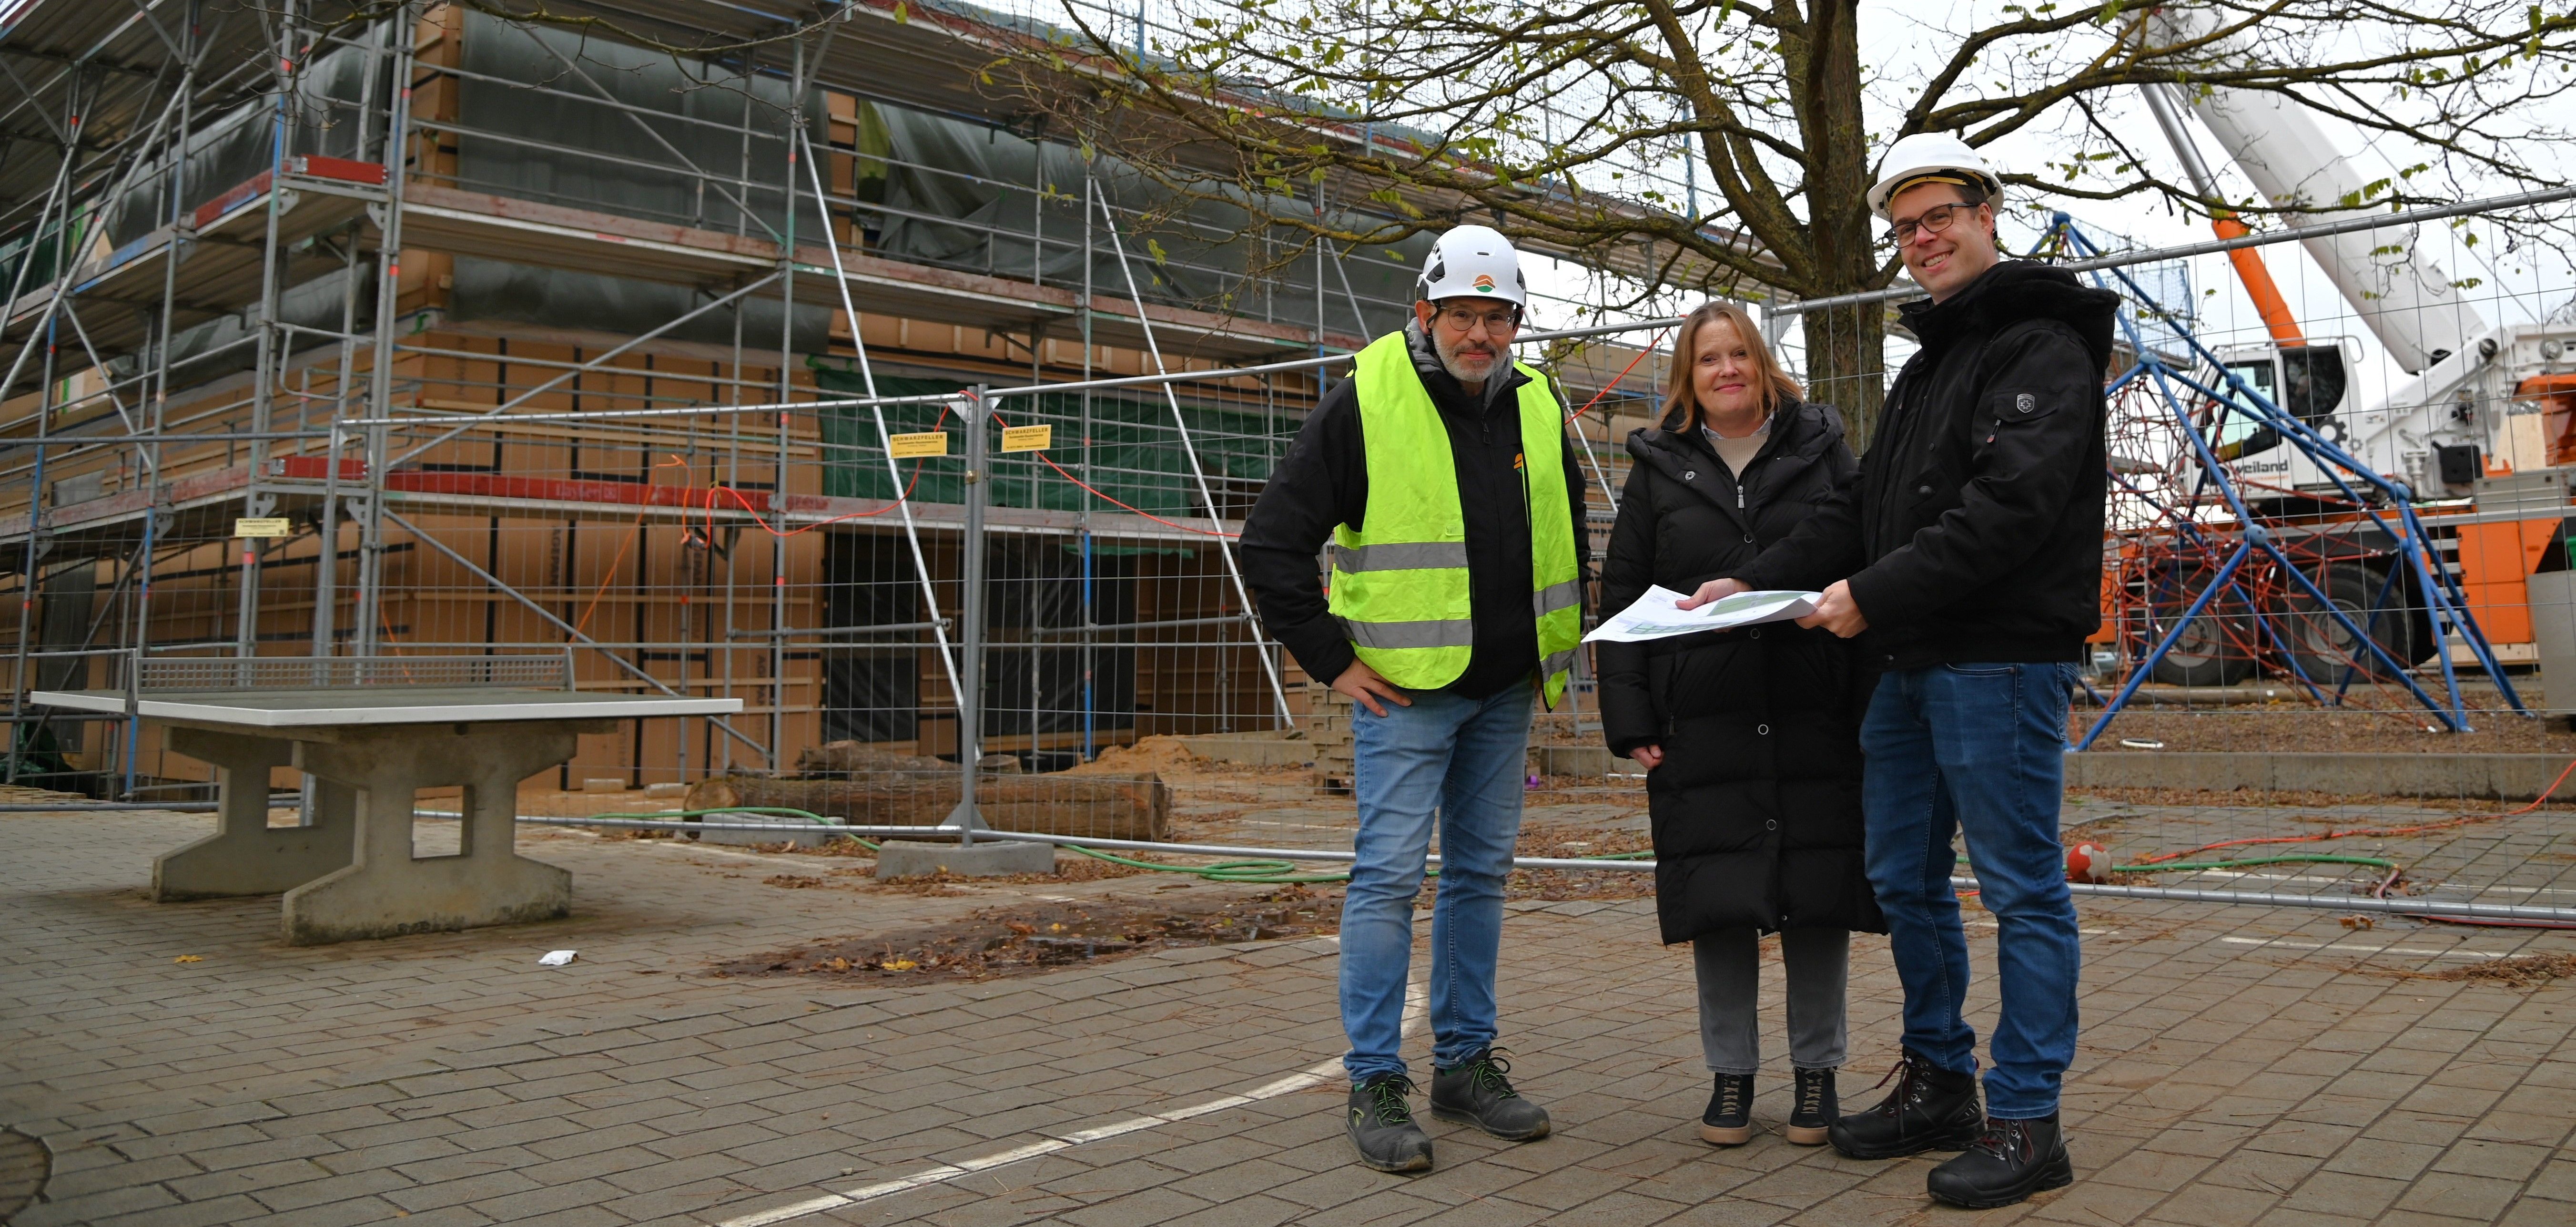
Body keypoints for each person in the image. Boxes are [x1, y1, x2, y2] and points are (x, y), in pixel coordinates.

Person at [1686, 133, 2119, 1207]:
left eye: (1941, 217)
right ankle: (1941, 1080)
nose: (1923, 239)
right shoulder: (1933, 363)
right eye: (1905, 227)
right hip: (1911, 662)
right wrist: (1748, 581)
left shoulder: (2040, 348)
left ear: (1987, 214)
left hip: (1999, 659)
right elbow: (1860, 509)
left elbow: (2008, 509)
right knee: (1903, 879)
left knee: (2022, 890)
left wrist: (1872, 596)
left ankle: (2028, 1117)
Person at [1239, 225, 1587, 1174]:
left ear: (1516, 323)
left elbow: (1565, 540)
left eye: (1498, 316)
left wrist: (1555, 656)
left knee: (1480, 876)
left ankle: (1466, 1064)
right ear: (1425, 313)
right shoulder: (1367, 401)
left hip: (1506, 690)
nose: (1481, 332)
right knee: (1389, 879)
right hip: (1404, 694)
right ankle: (1375, 1079)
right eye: (1464, 314)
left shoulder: (1538, 405)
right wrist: (1330, 661)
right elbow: (1270, 544)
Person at [1596, 301, 1885, 1150]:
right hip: (1705, 715)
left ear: (1761, 365)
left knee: (1816, 896)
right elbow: (1621, 596)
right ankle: (1730, 1075)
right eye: (1708, 359)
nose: (1727, 370)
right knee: (1718, 898)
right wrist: (1629, 714)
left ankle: (1816, 1073)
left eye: (1739, 355)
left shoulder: (1821, 449)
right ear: (1688, 377)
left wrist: (1866, 704)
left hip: (1811, 705)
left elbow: (1865, 565)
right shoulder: (1657, 469)